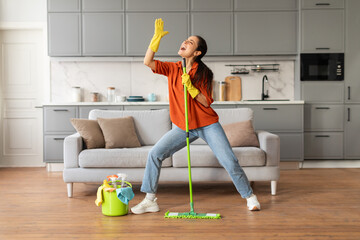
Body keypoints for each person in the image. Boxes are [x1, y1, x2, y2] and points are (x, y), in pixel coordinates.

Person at [131, 18, 260, 214]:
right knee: (155, 154)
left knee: (229, 160)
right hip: (183, 126)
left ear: (197, 52)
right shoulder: (173, 68)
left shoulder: (204, 73)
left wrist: (190, 87)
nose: (184, 42)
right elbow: (148, 62)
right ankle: (150, 200)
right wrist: (155, 39)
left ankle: (250, 197)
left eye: (190, 42)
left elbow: (206, 101)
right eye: (185, 40)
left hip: (207, 124)